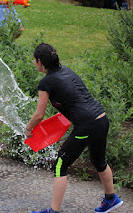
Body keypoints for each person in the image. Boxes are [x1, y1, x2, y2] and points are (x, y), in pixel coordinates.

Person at [26, 43, 124, 213]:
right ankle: (111, 199)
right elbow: (75, 99)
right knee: (99, 161)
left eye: (34, 60)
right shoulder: (67, 71)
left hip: (87, 126)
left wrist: (28, 129)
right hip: (101, 119)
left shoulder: (45, 83)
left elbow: (39, 115)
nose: (34, 63)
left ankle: (53, 211)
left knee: (60, 165)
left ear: (40, 61)